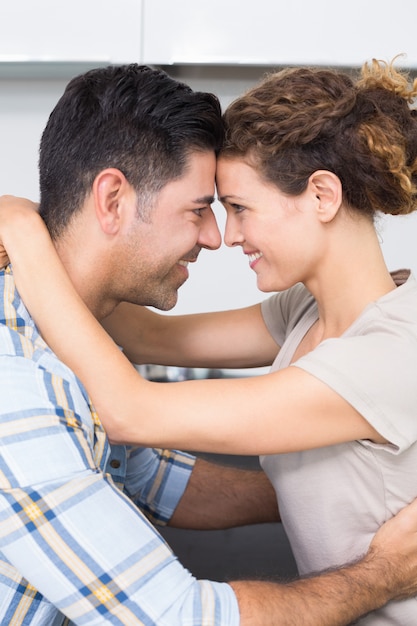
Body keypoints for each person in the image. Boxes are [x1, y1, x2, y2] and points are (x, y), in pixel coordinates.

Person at [2, 57, 417, 624]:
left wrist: (28, 234)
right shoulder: (307, 309)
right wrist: (53, 237)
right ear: (113, 199)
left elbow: (132, 421)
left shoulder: (394, 347)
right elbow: (149, 336)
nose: (224, 235)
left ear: (323, 197)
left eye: (238, 209)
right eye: (208, 209)